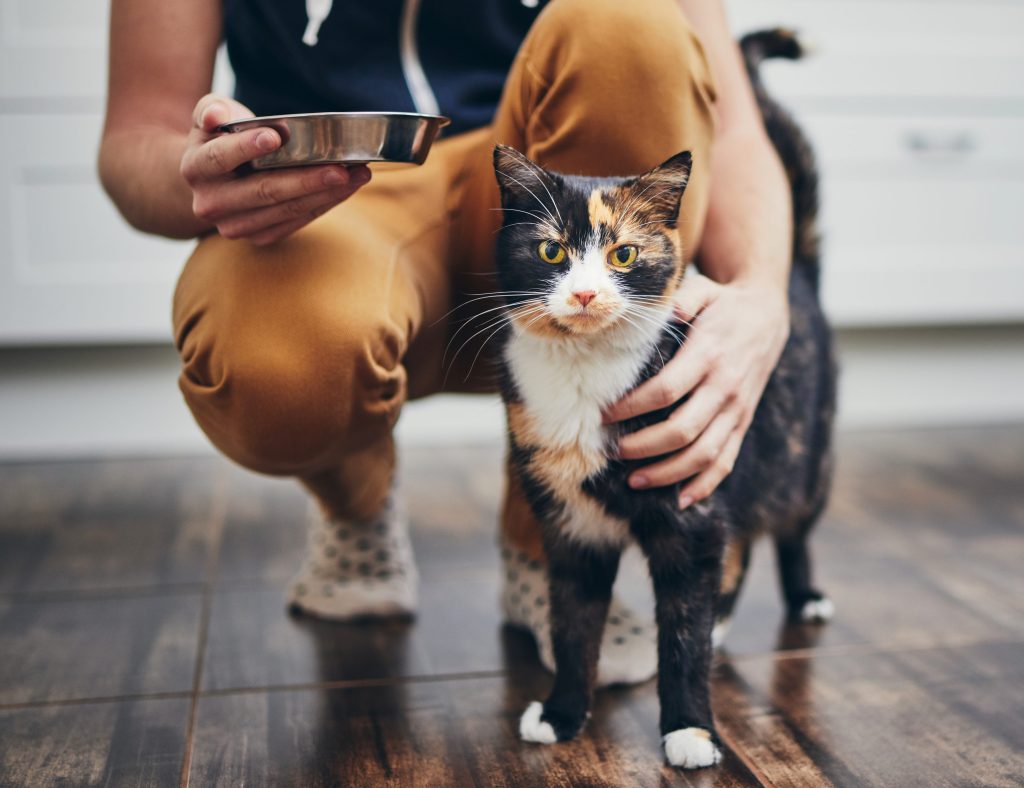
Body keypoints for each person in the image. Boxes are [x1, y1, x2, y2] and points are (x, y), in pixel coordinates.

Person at [100, 0, 792, 684]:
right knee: (276, 375)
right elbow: (138, 136)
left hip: (550, 179)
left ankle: (551, 545)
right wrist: (202, 173)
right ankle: (356, 503)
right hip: (328, 190)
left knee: (631, 23)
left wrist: (763, 294)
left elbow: (730, 129)